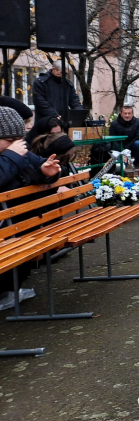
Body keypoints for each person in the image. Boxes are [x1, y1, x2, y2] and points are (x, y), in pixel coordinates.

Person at [0, 107, 61, 308]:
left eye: (19, 139)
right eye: (10, 141)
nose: (17, 145)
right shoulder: (13, 154)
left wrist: (47, 171)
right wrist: (11, 155)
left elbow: (39, 164)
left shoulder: (16, 152)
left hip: (21, 223)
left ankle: (11, 289)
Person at [108, 105, 139, 174]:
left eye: (129, 113)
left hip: (132, 147)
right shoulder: (114, 124)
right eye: (125, 113)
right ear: (121, 114)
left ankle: (136, 163)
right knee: (121, 168)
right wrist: (122, 153)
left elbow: (138, 137)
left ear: (132, 114)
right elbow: (113, 140)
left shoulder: (138, 122)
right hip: (119, 149)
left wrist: (126, 151)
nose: (127, 115)